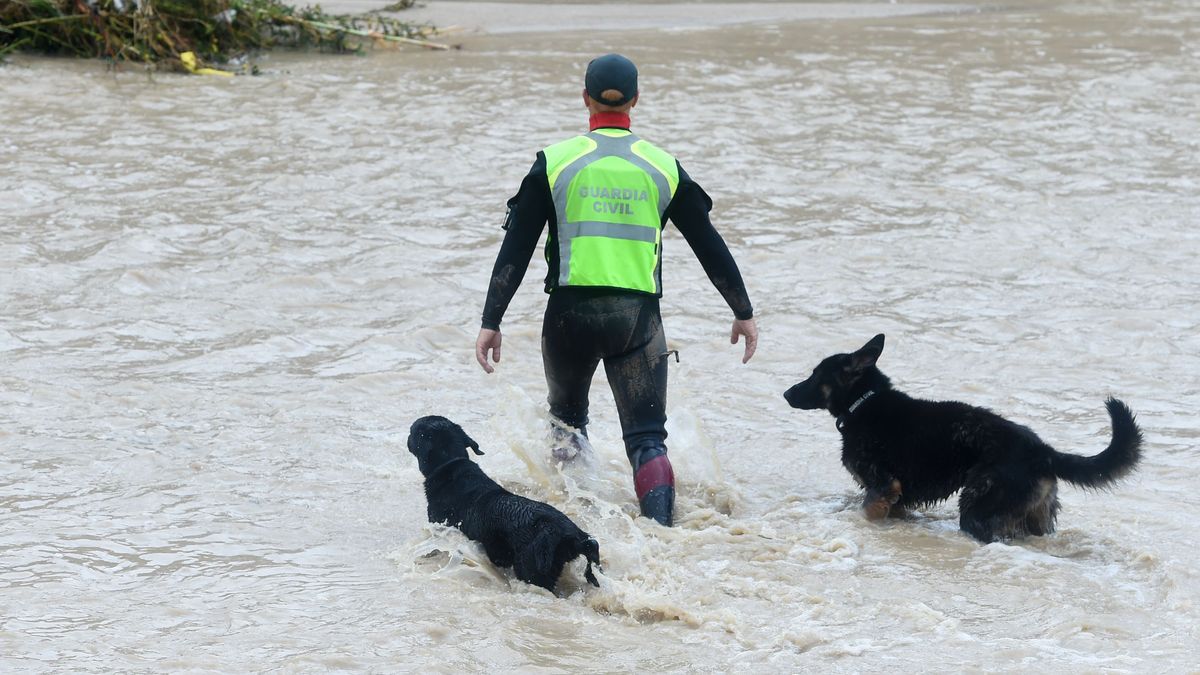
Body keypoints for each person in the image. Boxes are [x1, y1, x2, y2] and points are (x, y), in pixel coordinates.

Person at [474, 53, 757, 527]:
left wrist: (491, 321)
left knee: (567, 425)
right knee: (647, 438)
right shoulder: (663, 167)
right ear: (636, 100)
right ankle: (663, 543)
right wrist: (742, 310)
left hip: (568, 315)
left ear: (585, 97)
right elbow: (709, 243)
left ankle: (580, 528)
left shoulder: (555, 162)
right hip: (638, 321)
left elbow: (516, 248)